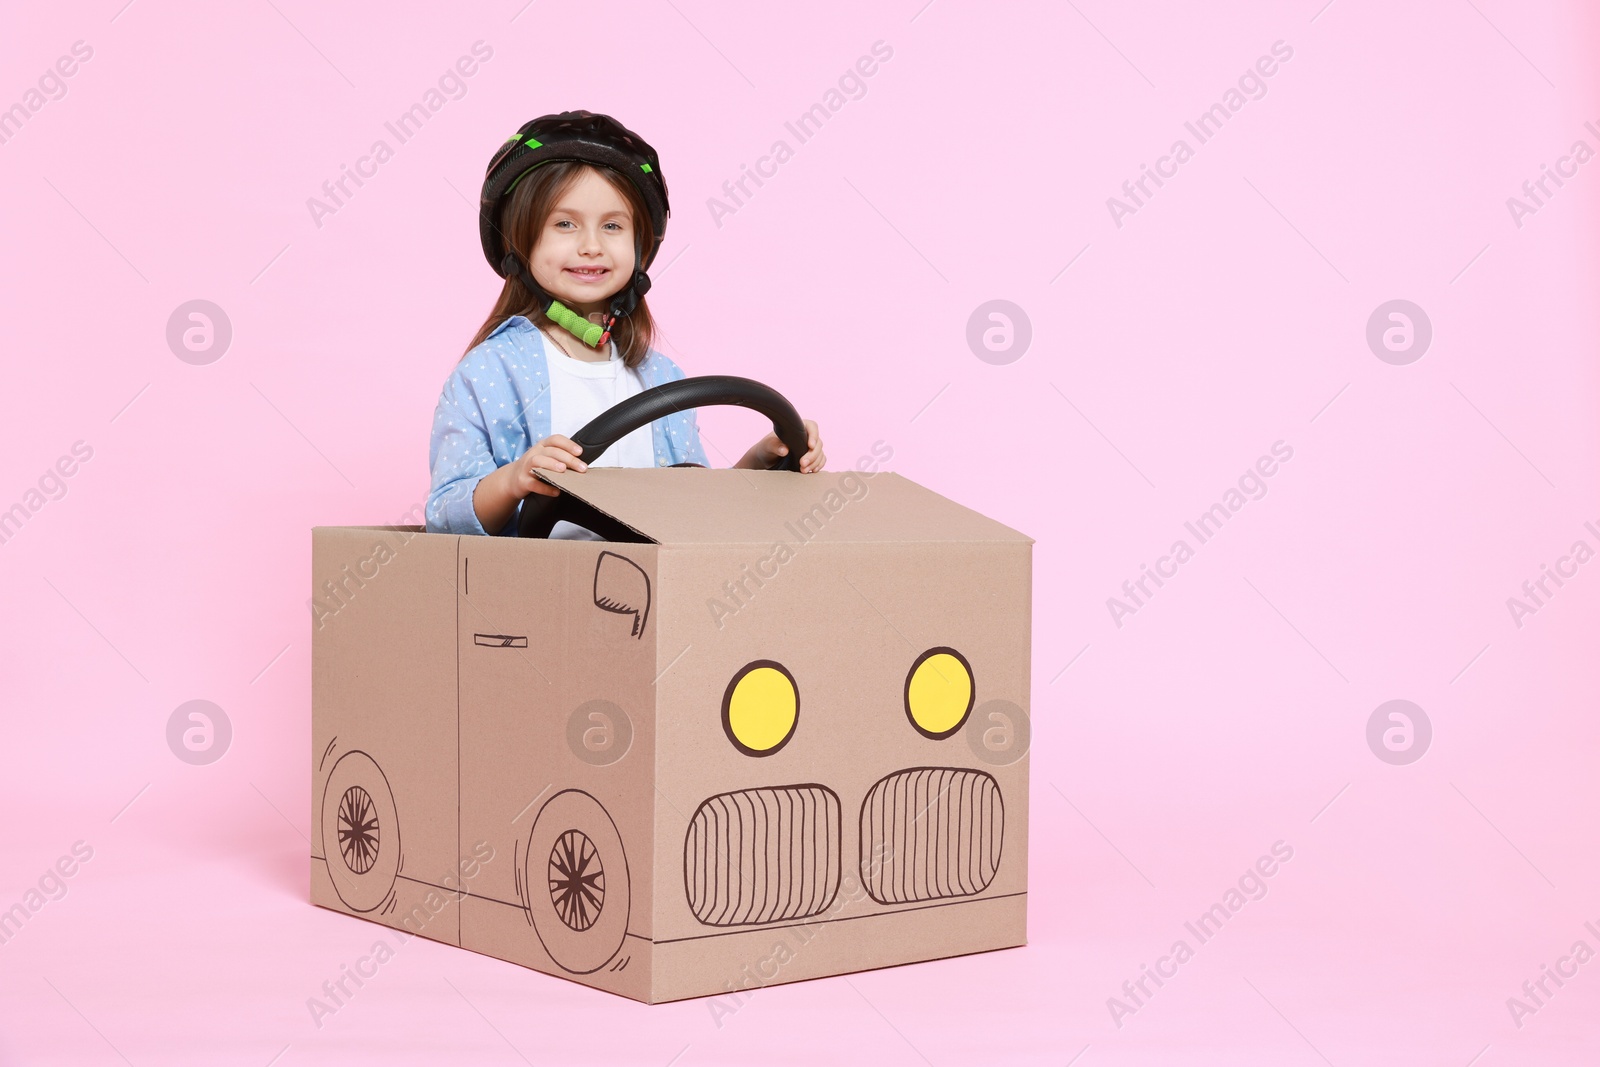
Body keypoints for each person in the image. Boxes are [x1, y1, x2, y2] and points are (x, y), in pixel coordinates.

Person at [426, 111, 825, 538]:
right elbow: (445, 517)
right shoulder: (489, 372)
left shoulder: (659, 378)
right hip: (537, 593)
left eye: (612, 226)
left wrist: (761, 462)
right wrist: (512, 480)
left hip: (651, 592)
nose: (591, 246)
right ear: (518, 240)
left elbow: (694, 508)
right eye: (565, 224)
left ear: (639, 247)